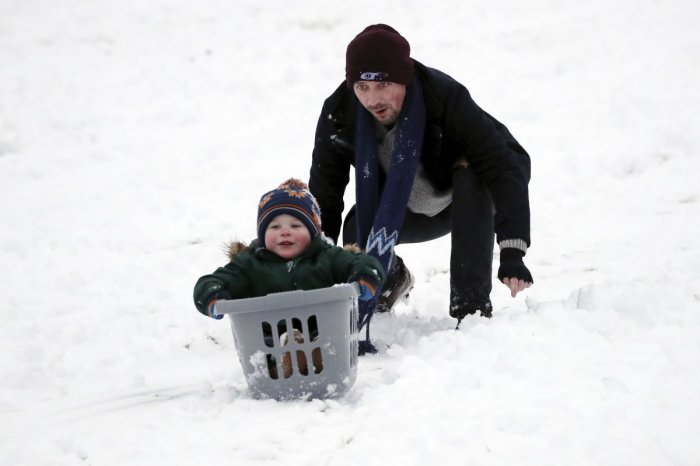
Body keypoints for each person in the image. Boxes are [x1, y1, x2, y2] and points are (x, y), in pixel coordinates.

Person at [308, 24, 533, 327]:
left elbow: (502, 168)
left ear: (403, 78)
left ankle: (471, 308)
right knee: (357, 226)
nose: (373, 99)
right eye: (362, 87)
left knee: (471, 175)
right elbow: (325, 193)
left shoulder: (444, 97)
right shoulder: (339, 115)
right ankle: (389, 281)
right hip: (406, 205)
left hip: (471, 194)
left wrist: (512, 250)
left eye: (383, 85)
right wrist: (312, 263)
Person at [193, 178, 385, 354]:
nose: (285, 232)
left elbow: (360, 261)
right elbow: (213, 281)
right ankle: (290, 354)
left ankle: (304, 353)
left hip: (323, 340)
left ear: (313, 233)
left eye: (295, 226)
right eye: (274, 227)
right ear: (262, 234)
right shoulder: (249, 265)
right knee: (274, 351)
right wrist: (212, 294)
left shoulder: (327, 257)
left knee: (323, 346)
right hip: (268, 347)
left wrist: (365, 275)